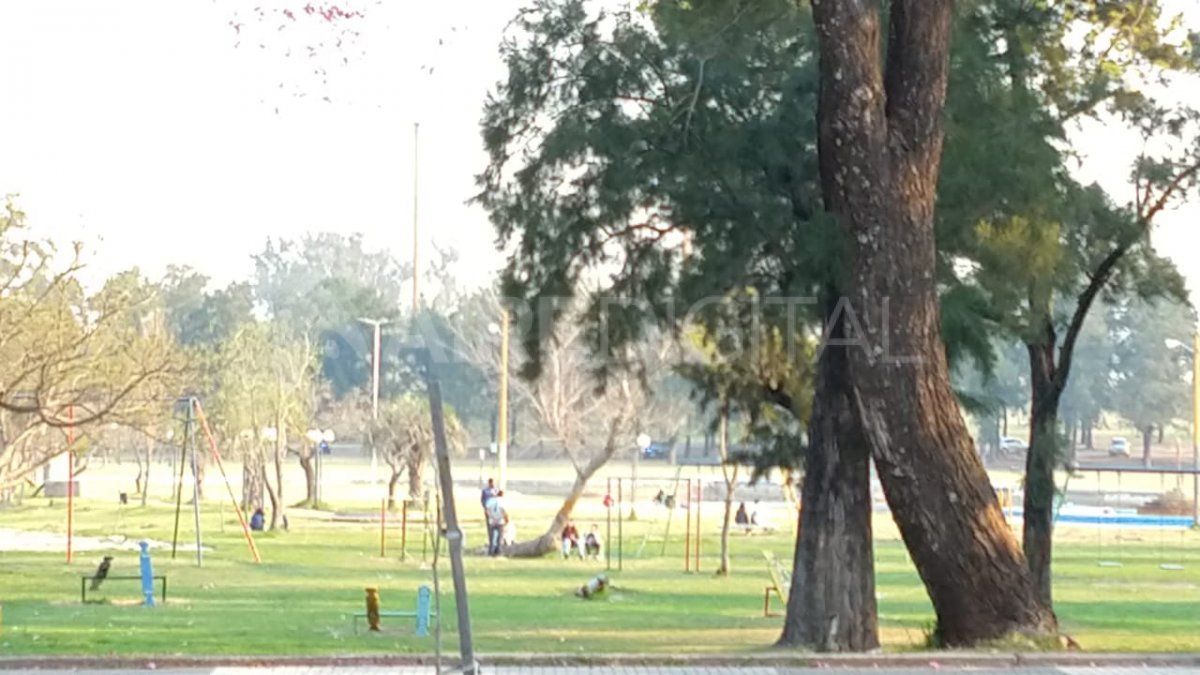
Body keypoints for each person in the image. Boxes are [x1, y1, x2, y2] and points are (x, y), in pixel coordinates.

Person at [485, 490, 507, 556]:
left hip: (491, 521)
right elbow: (503, 511)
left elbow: (487, 511)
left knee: (491, 538)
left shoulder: (489, 501)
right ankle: (498, 552)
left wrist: (492, 518)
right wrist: (500, 518)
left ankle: (490, 552)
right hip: (500, 521)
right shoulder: (502, 501)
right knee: (499, 538)